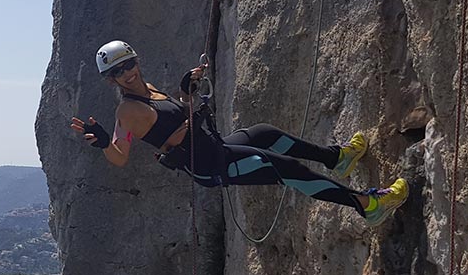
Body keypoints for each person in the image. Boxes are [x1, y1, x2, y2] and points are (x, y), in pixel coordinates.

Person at [70, 40, 408, 225]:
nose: (126, 73)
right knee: (287, 169)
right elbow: (120, 156)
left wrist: (187, 91)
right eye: (117, 72)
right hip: (211, 165)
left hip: (216, 147)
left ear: (136, 61)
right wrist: (102, 143)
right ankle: (368, 204)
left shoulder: (151, 90)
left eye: (128, 64)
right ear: (111, 80)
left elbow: (178, 116)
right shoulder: (127, 110)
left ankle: (337, 158)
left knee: (264, 132)